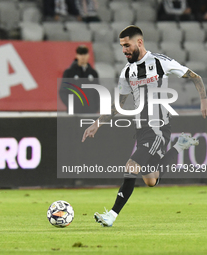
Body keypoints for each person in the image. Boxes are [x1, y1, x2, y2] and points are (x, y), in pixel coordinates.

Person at [82, 26, 207, 227]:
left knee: (131, 166)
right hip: (141, 129)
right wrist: (97, 123)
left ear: (139, 42)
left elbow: (195, 76)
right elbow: (119, 104)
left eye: (127, 45)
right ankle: (179, 146)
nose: (124, 50)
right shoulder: (127, 71)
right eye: (122, 46)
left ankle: (111, 215)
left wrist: (204, 100)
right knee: (150, 179)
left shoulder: (160, 62)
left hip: (158, 127)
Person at [59, 45, 100, 113]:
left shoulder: (93, 73)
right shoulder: (69, 72)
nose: (83, 57)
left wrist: (95, 106)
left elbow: (97, 92)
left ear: (88, 55)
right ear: (76, 55)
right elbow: (63, 91)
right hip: (74, 112)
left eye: (85, 54)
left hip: (90, 111)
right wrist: (71, 105)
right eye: (80, 54)